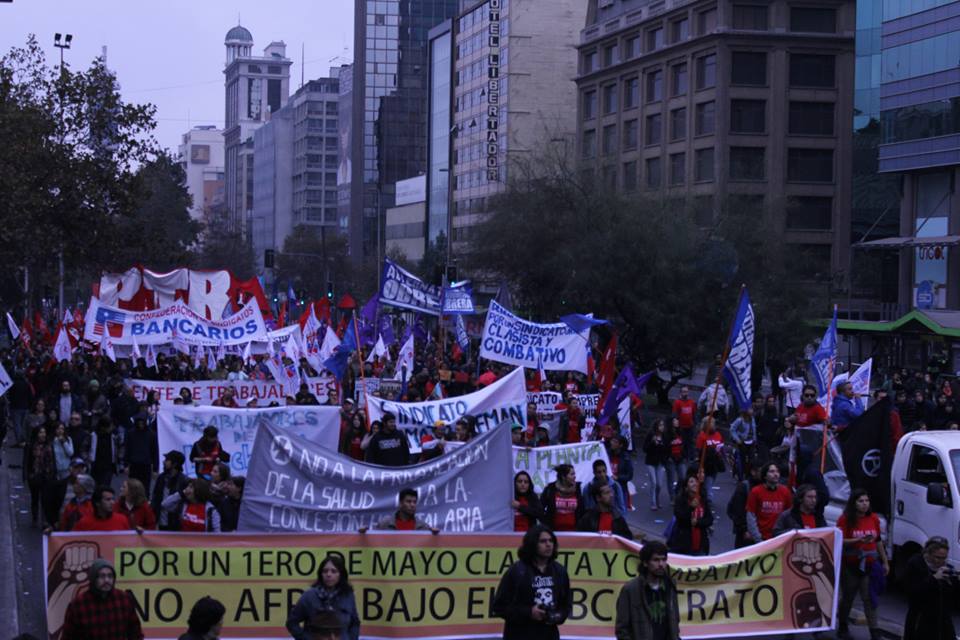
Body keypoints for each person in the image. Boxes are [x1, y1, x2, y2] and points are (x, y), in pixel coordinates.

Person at [492, 525, 572, 640]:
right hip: (519, 634)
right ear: (532, 544)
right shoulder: (517, 571)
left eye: (551, 541)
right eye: (543, 541)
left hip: (549, 634)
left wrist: (556, 616)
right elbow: (499, 607)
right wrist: (529, 612)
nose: (548, 544)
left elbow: (566, 605)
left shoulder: (560, 571)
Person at [836, 489, 889, 640]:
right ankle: (843, 625)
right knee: (848, 597)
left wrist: (885, 561)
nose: (864, 504)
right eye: (861, 501)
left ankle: (874, 631)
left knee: (869, 598)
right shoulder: (845, 519)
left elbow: (878, 541)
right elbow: (841, 540)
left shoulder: (873, 518)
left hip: (869, 565)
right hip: (850, 565)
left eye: (866, 501)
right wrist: (858, 541)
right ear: (854, 503)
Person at [62, 558, 143, 640]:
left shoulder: (124, 599)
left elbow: (135, 633)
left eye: (110, 576)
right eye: (102, 576)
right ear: (93, 578)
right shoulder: (78, 605)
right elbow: (68, 637)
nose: (106, 580)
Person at [614, 540, 681, 640]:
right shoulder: (631, 589)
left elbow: (674, 620)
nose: (661, 564)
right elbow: (622, 629)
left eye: (663, 559)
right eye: (656, 560)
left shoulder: (670, 586)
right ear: (645, 563)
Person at [286, 554, 360, 640]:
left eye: (333, 571)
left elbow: (355, 622)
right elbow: (292, 622)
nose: (328, 574)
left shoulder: (348, 595)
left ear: (341, 574)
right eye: (325, 571)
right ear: (321, 574)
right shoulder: (309, 596)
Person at [902, 536, 959, 640]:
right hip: (920, 620)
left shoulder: (947, 568)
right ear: (928, 553)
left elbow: (952, 597)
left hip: (942, 620)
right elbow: (913, 594)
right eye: (937, 557)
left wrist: (954, 581)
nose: (940, 561)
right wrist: (934, 579)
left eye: (944, 558)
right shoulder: (915, 564)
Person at [668, 471, 713, 555]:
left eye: (696, 481)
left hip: (700, 544)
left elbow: (709, 519)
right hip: (683, 544)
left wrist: (697, 522)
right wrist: (691, 508)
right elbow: (680, 518)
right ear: (686, 487)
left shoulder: (702, 500)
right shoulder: (680, 501)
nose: (694, 483)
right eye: (691, 481)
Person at [746, 462, 792, 542]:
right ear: (765, 475)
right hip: (761, 538)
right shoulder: (756, 492)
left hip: (779, 538)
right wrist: (758, 538)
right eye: (772, 471)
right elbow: (751, 516)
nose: (775, 474)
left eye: (777, 471)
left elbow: (789, 515)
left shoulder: (785, 492)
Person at [363, 487, 439, 533]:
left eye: (414, 502)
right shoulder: (385, 524)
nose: (412, 505)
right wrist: (363, 535)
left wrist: (435, 536)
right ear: (400, 503)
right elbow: (372, 543)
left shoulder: (423, 527)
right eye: (408, 501)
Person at [726, 457, 762, 548]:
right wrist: (744, 529)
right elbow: (737, 511)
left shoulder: (767, 488)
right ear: (753, 472)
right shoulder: (744, 487)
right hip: (745, 534)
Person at [25, 425, 56, 526]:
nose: (43, 435)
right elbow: (26, 461)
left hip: (46, 475)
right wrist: (27, 475)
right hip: (34, 475)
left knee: (45, 499)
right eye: (40, 432)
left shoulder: (49, 445)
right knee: (35, 498)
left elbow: (52, 460)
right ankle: (35, 518)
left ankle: (44, 520)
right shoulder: (30, 445)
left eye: (44, 432)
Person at [151, 450, 189, 531]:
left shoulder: (184, 480)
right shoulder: (161, 478)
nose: (164, 462)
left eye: (167, 460)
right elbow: (155, 498)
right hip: (160, 522)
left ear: (174, 464)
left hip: (175, 523)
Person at [540, 464, 584, 532]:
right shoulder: (550, 489)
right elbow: (540, 508)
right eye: (572, 474)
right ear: (563, 477)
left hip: (575, 532)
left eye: (574, 474)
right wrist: (546, 525)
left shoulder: (579, 489)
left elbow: (583, 510)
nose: (574, 477)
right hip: (554, 532)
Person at [642, 419, 670, 511]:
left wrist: (661, 446)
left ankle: (657, 498)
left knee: (659, 484)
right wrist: (652, 443)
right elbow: (645, 449)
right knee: (653, 482)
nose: (662, 427)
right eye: (660, 425)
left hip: (660, 463)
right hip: (650, 462)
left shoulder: (664, 437)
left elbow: (667, 449)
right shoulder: (651, 435)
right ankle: (653, 503)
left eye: (663, 425)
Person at [123, 416, 156, 492]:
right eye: (139, 423)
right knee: (133, 486)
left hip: (146, 464)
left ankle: (144, 502)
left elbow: (154, 451)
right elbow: (128, 449)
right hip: (134, 464)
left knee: (145, 486)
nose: (141, 425)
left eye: (142, 423)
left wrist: (155, 468)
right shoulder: (131, 433)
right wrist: (126, 464)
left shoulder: (151, 434)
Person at [694, 417, 724, 492]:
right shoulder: (702, 436)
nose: (712, 424)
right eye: (710, 423)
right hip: (706, 464)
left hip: (715, 463)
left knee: (710, 482)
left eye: (713, 423)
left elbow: (721, 445)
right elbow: (698, 450)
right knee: (707, 483)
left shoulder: (718, 435)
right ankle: (708, 500)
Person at [607, 435, 634, 511]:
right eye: (612, 441)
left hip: (620, 488)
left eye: (615, 442)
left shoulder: (626, 458)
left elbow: (629, 475)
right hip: (608, 487)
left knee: (621, 511)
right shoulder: (607, 454)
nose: (612, 443)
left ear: (620, 445)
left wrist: (618, 477)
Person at [671, 386, 697, 461]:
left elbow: (694, 413)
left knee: (691, 441)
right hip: (681, 426)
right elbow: (674, 414)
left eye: (686, 391)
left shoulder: (691, 402)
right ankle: (684, 456)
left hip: (690, 425)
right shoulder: (677, 402)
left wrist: (695, 423)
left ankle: (692, 457)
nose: (685, 393)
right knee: (683, 442)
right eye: (683, 391)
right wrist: (675, 424)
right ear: (680, 393)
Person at [664, 419, 686, 499]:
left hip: (680, 458)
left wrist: (684, 455)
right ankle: (672, 497)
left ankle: (677, 491)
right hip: (671, 459)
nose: (677, 421)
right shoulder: (667, 434)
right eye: (675, 420)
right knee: (671, 479)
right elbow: (665, 446)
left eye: (677, 420)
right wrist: (668, 457)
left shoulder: (680, 432)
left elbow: (684, 444)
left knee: (683, 477)